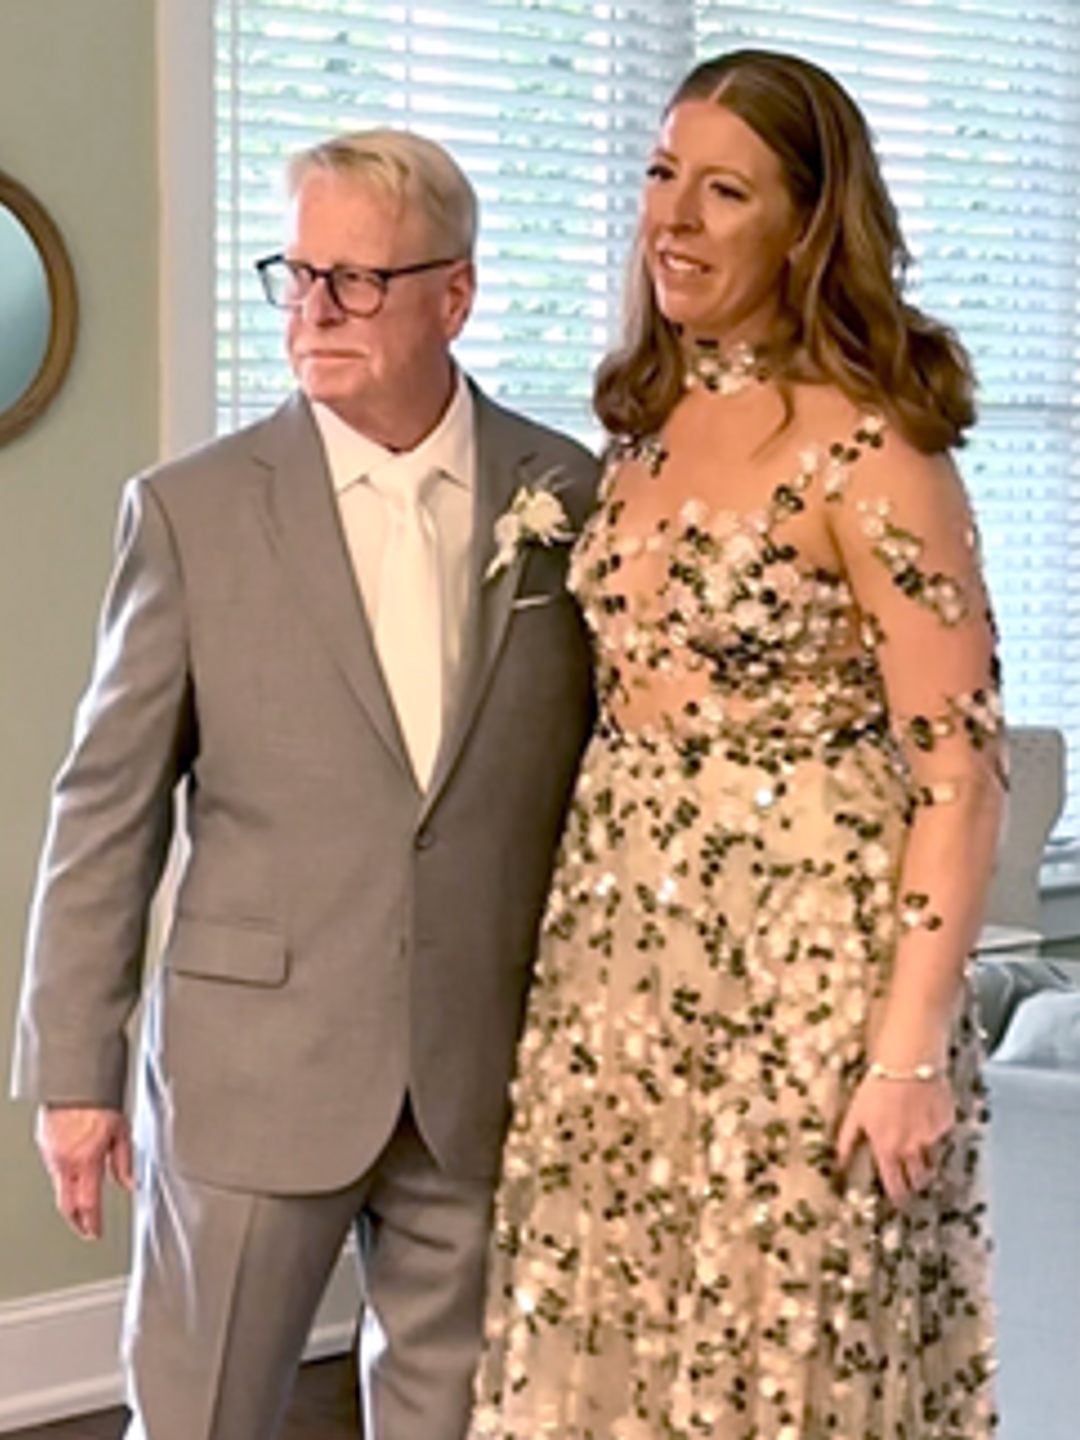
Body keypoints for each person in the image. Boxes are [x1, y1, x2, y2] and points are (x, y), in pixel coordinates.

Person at [11, 127, 598, 1440]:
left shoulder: (568, 496)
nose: (313, 313)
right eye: (297, 274)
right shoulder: (191, 511)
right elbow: (103, 807)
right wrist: (76, 1068)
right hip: (251, 1070)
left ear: (456, 294)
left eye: (358, 281)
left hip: (479, 1072)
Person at [471, 49, 1004, 1439]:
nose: (676, 220)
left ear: (806, 225)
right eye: (662, 177)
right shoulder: (642, 429)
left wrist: (910, 1050)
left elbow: (960, 768)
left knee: (784, 1351)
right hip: (619, 969)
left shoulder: (876, 447)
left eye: (724, 191)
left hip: (807, 972)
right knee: (611, 1341)